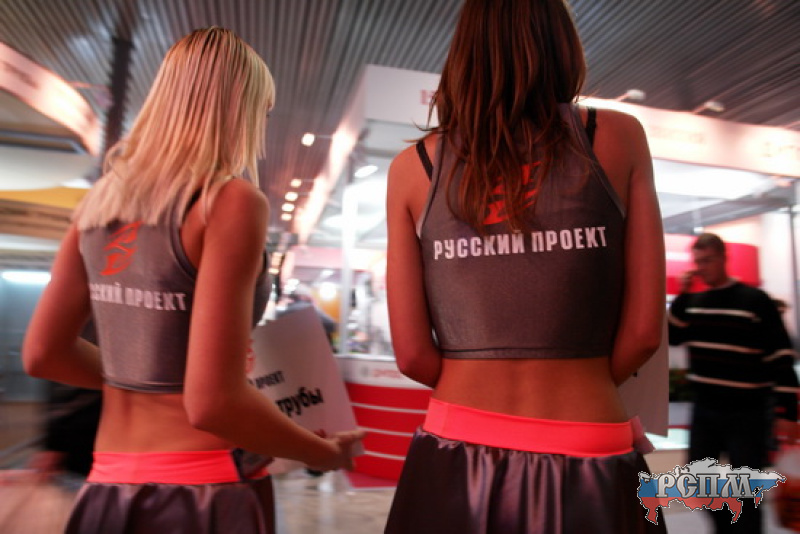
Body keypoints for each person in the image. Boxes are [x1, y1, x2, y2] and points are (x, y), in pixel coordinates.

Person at [22, 27, 362, 534]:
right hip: (203, 488)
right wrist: (323, 453)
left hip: (109, 478)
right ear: (240, 110)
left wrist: (145, 374)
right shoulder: (228, 202)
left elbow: (44, 354)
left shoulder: (100, 203)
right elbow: (213, 402)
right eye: (263, 113)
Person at [383, 1, 666, 532]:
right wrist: (579, 381)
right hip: (590, 436)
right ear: (562, 41)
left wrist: (476, 386)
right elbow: (645, 332)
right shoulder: (618, 137)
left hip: (456, 439)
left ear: (463, 52)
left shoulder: (413, 167)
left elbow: (412, 354)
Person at [668, 232, 799, 533]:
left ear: (723, 258)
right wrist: (683, 294)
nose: (702, 268)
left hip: (747, 413)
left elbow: (780, 356)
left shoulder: (755, 301)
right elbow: (673, 336)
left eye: (708, 261)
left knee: (746, 492)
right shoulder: (696, 302)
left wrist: (788, 413)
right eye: (698, 262)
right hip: (706, 410)